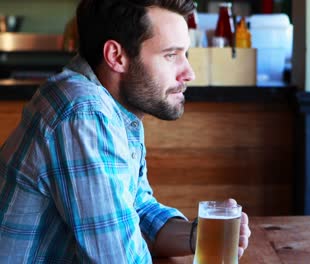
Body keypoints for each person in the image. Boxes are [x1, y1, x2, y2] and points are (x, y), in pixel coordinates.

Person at [0, 0, 251, 262]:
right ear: (116, 57)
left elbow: (138, 207)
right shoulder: (83, 112)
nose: (189, 73)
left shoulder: (114, 108)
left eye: (185, 54)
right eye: (171, 55)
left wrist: (199, 235)